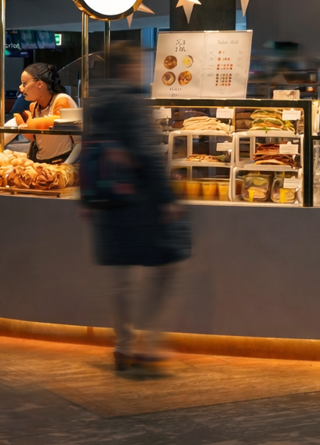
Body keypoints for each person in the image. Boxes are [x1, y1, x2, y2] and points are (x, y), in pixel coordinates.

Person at [83, 43, 190, 372]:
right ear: (127, 68)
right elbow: (146, 153)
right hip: (137, 201)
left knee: (120, 278)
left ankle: (124, 344)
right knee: (169, 267)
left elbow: (88, 150)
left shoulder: (95, 102)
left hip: (105, 199)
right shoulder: (131, 101)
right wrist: (167, 199)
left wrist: (86, 199)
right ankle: (152, 342)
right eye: (139, 65)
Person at [14, 62, 77, 163]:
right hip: (38, 162)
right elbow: (39, 139)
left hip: (60, 162)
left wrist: (66, 166)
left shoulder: (62, 100)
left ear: (40, 84)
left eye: (24, 83)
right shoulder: (33, 106)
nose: (20, 88)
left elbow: (79, 141)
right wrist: (23, 128)